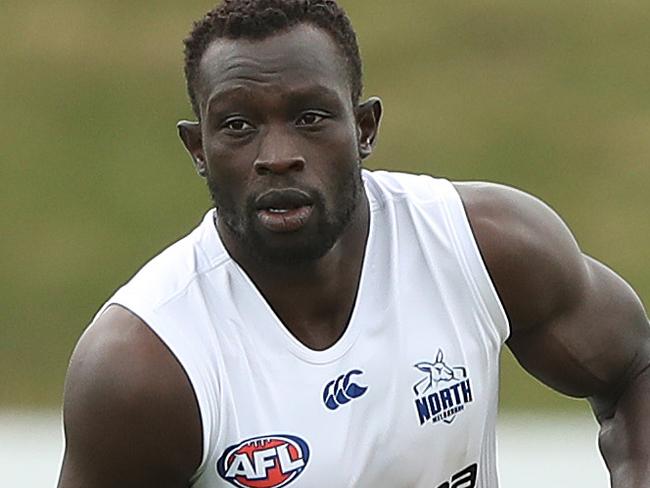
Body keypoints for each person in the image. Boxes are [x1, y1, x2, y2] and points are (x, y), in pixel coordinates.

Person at [57, 1, 649, 487]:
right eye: (238, 125)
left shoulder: (483, 246)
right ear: (197, 149)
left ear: (364, 128)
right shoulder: (144, 367)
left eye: (310, 117)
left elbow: (634, 367)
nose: (277, 156)